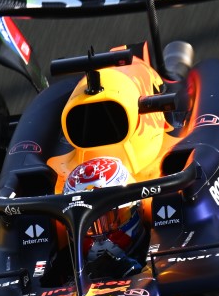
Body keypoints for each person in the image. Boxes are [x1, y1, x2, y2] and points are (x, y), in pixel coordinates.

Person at [49, 49, 178, 272]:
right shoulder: (61, 182)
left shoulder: (160, 176)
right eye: (90, 224)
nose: (101, 239)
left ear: (136, 209)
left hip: (147, 133)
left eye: (110, 221)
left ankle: (176, 70)